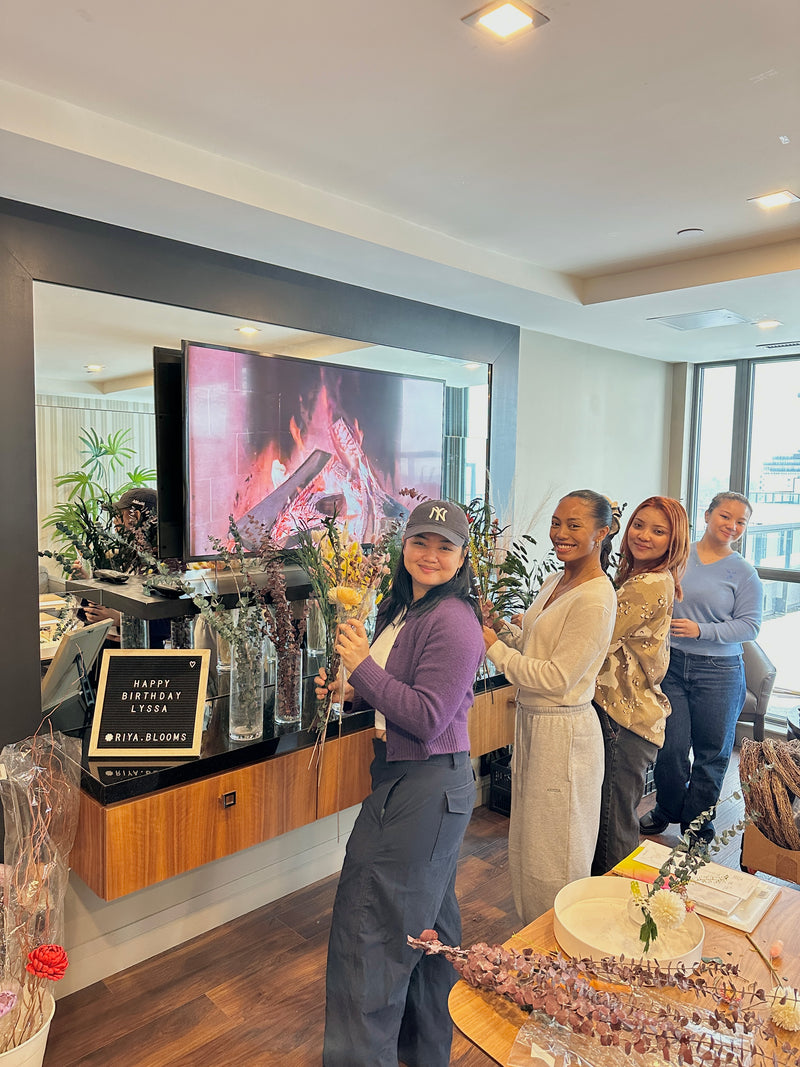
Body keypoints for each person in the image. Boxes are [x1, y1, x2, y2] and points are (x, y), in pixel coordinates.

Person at [318, 499, 484, 1067]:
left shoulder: (454, 620)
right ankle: (424, 1052)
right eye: (420, 542)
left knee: (369, 934)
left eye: (445, 546)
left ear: (462, 557)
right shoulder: (406, 607)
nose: (430, 554)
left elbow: (428, 716)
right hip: (421, 785)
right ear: (404, 546)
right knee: (425, 930)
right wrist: (351, 690)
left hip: (421, 787)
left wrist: (362, 666)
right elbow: (399, 688)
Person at [483, 490, 617, 923]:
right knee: (528, 844)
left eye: (574, 525)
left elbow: (558, 677)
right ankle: (531, 939)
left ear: (602, 532)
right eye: (556, 523)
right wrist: (499, 628)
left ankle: (557, 947)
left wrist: (493, 649)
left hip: (564, 733)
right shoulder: (557, 581)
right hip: (534, 724)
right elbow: (535, 647)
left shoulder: (596, 598)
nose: (560, 533)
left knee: (557, 851)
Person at [640, 491, 763, 843]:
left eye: (741, 522)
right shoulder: (678, 555)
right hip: (672, 665)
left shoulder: (744, 572)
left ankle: (697, 826)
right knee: (670, 748)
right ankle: (667, 809)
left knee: (712, 753)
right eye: (726, 516)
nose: (732, 526)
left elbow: (750, 626)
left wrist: (701, 630)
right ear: (707, 515)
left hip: (720, 672)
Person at [592, 496, 689, 875]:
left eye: (658, 531)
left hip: (625, 719)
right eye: (639, 525)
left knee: (613, 826)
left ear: (673, 541)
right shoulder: (639, 578)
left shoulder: (648, 584)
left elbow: (596, 640)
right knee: (610, 820)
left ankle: (614, 902)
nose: (644, 535)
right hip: (626, 714)